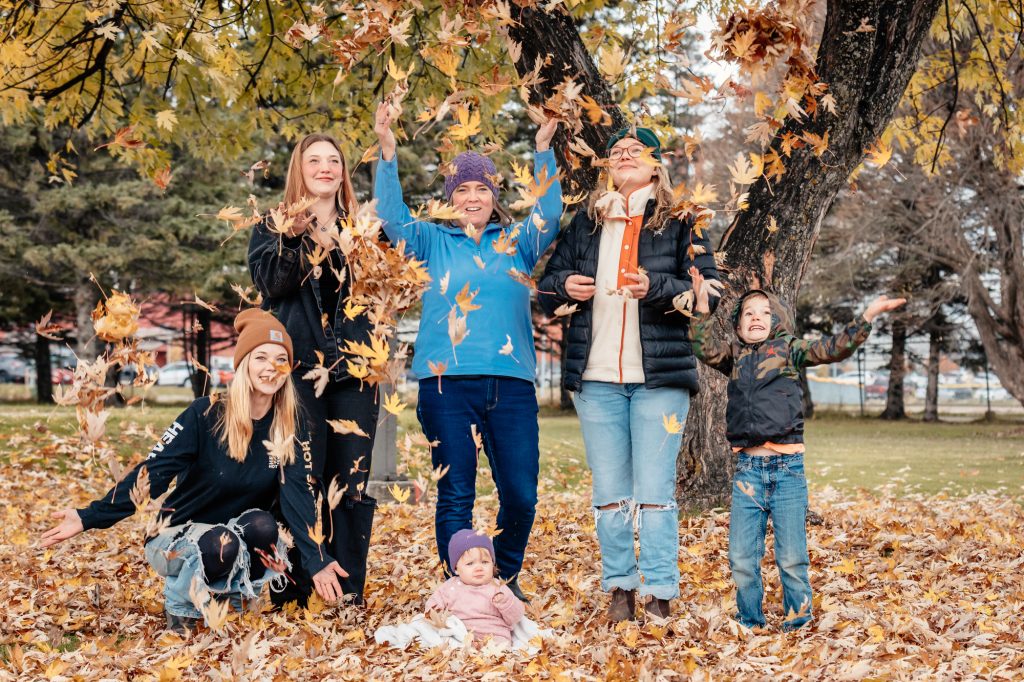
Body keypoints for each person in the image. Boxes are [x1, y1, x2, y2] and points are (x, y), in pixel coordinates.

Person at [39, 309, 350, 631]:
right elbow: (152, 474)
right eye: (260, 357)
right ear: (243, 364)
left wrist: (317, 560)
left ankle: (234, 604)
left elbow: (298, 495)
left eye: (280, 359)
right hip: (176, 537)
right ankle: (182, 610)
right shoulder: (205, 414)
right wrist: (89, 516)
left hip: (236, 536)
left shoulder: (290, 426)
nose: (270, 368)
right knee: (221, 541)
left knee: (263, 525)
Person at [373, 102, 561, 600]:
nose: (473, 197)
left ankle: (504, 575)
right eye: (462, 190)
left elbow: (550, 212)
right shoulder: (431, 241)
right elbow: (390, 218)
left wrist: (543, 151)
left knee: (520, 493)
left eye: (481, 189)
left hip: (511, 384)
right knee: (455, 493)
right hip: (445, 386)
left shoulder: (517, 242)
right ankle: (459, 588)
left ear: (494, 195)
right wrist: (388, 152)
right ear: (449, 198)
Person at [537, 125, 722, 622]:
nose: (621, 157)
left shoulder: (683, 220)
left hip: (659, 379)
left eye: (633, 151)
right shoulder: (587, 222)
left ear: (656, 164)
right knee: (609, 494)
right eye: (615, 152)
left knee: (655, 492)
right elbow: (546, 286)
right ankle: (620, 588)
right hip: (596, 378)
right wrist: (565, 286)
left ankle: (660, 590)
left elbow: (711, 291)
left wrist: (657, 286)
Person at [690, 277, 905, 630]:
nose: (756, 317)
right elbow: (703, 345)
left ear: (779, 320)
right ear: (738, 323)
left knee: (791, 557)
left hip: (787, 469)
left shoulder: (790, 350)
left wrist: (867, 316)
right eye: (748, 313)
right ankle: (749, 621)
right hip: (748, 472)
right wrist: (700, 307)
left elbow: (834, 347)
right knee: (743, 557)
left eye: (764, 312)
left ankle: (798, 623)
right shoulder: (735, 357)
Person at [248, 133, 379, 605]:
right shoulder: (271, 226)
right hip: (299, 368)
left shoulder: (365, 228)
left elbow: (387, 289)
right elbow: (272, 285)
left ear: (344, 170)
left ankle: (347, 590)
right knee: (300, 474)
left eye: (333, 161)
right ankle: (297, 585)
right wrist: (293, 234)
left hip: (356, 371)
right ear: (298, 170)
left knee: (351, 479)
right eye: (314, 160)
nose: (325, 168)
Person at [424, 530, 526, 646]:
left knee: (500, 648)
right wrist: (436, 613)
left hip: (493, 635)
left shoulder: (498, 588)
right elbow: (433, 606)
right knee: (441, 640)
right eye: (470, 564)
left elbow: (517, 616)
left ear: (492, 564)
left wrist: (506, 603)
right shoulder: (450, 587)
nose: (479, 568)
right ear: (456, 568)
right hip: (460, 634)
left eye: (485, 562)